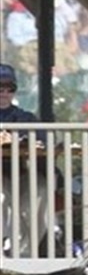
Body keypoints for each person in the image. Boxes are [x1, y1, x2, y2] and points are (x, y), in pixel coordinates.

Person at [0, 62, 46, 256]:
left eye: (10, 88)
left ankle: (24, 255)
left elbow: (44, 141)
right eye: (0, 87)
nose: (4, 92)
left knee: (40, 191)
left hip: (22, 173)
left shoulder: (25, 117)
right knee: (1, 196)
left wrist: (19, 139)